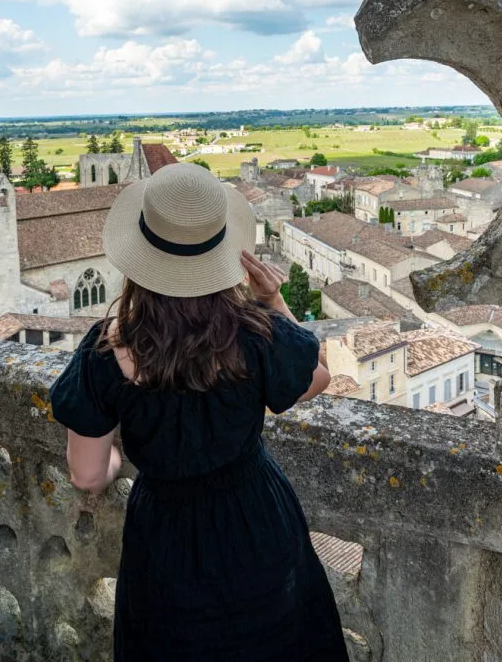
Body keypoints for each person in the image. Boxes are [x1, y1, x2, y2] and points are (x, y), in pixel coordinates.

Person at [50, 162, 348, 661]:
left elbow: (87, 475)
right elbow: (318, 373)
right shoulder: (255, 335)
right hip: (257, 516)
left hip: (165, 533)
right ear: (221, 250)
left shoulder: (107, 351)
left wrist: (117, 464)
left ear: (141, 257)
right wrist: (272, 299)